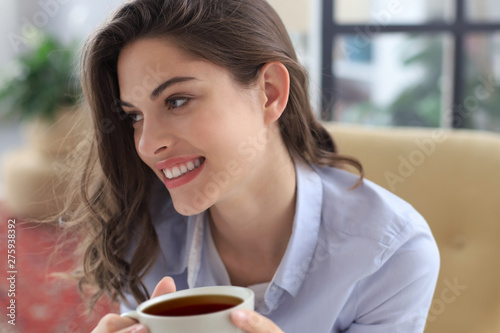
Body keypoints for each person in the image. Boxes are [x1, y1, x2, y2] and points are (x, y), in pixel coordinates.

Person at [65, 0, 440, 332]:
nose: (148, 145)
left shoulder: (390, 256)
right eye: (134, 117)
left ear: (270, 93)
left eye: (177, 101)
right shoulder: (143, 232)